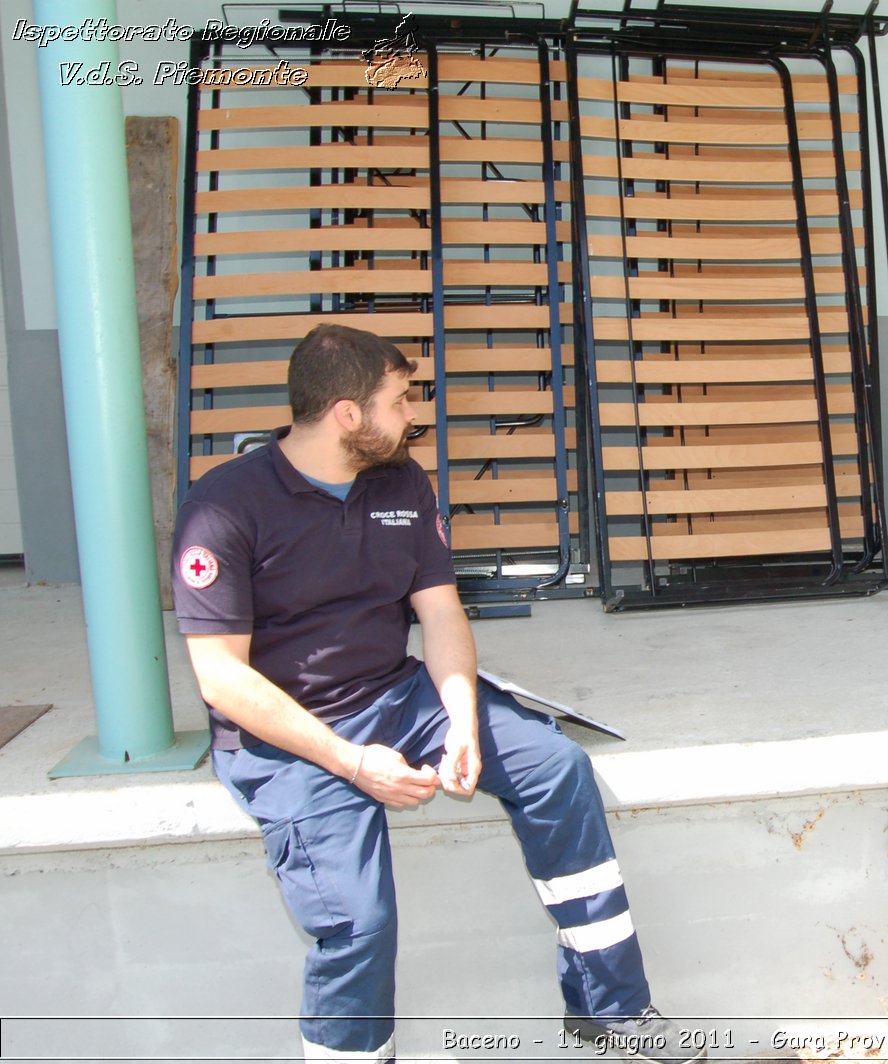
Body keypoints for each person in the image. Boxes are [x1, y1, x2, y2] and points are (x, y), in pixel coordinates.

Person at [172, 324, 704, 1064]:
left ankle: (610, 1007)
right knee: (358, 921)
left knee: (555, 768)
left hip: (397, 694)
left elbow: (441, 611)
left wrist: (461, 721)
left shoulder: (401, 480)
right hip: (287, 734)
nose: (413, 413)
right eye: (399, 400)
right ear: (347, 415)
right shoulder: (224, 506)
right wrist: (354, 764)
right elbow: (222, 678)